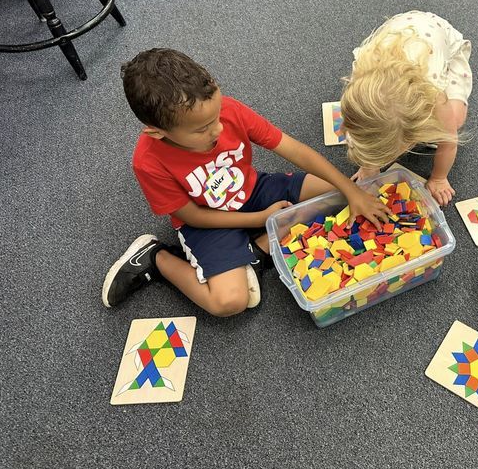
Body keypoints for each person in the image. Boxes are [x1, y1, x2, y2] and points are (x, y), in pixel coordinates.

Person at [102, 48, 388, 316]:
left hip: (253, 190)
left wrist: (351, 190)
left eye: (217, 115)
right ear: (157, 132)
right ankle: (157, 258)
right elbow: (193, 216)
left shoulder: (228, 110)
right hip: (207, 221)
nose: (218, 129)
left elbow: (295, 150)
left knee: (336, 193)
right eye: (202, 129)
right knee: (230, 303)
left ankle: (258, 249)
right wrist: (261, 218)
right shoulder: (148, 161)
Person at [340, 10, 472, 205]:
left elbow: (449, 142)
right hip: (397, 36)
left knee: (454, 119)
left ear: (412, 137)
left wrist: (439, 178)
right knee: (371, 128)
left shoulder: (435, 95)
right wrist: (369, 167)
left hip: (443, 39)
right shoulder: (359, 88)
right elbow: (357, 131)